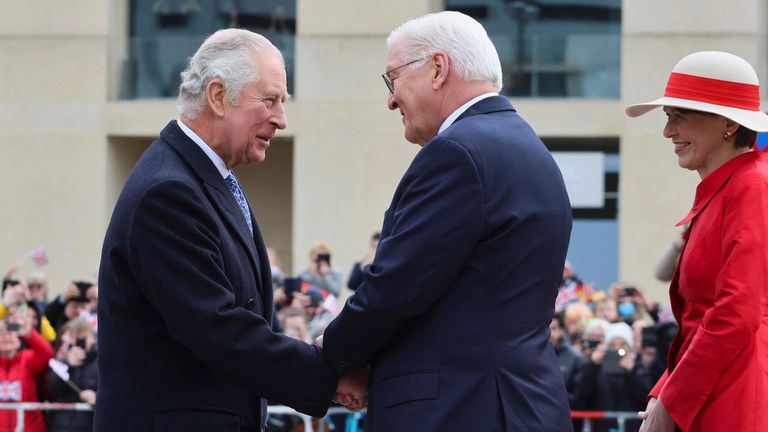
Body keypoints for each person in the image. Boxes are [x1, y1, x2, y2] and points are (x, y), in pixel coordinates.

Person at [322, 11, 573, 431]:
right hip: (522, 406)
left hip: (459, 410)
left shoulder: (457, 153)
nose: (390, 99)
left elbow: (397, 287)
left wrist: (331, 356)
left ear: (438, 68)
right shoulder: (530, 150)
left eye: (393, 79)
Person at [96, 29, 350, 432]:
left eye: (282, 102)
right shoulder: (169, 192)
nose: (281, 119)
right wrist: (329, 375)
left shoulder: (203, 180)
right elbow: (218, 329)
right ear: (217, 96)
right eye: (270, 100)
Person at [626, 51, 768, 431]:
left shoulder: (751, 185)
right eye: (668, 116)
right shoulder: (731, 187)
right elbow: (699, 322)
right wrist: (664, 392)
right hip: (716, 394)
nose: (668, 131)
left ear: (726, 123)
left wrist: (671, 402)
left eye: (680, 115)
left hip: (733, 403)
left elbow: (736, 313)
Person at [0, 315, 54, 432]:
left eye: (10, 332)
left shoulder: (27, 358)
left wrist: (29, 334)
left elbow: (47, 353)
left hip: (30, 428)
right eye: (1, 334)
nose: (6, 337)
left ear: (19, 339)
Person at [48, 318, 98, 432]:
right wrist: (69, 365)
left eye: (81, 337)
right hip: (61, 425)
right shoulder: (63, 359)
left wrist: (97, 398)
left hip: (90, 425)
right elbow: (53, 389)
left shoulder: (101, 361)